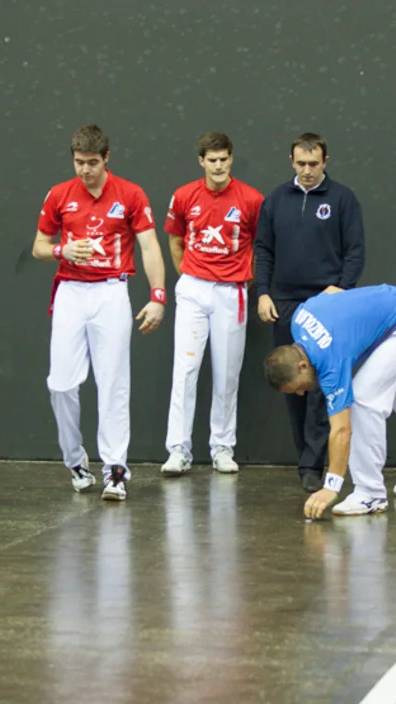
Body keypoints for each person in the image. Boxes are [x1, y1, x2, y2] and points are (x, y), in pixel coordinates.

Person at [31, 124, 167, 502]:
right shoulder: (59, 194)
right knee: (60, 383)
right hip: (71, 292)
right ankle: (76, 461)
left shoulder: (131, 194)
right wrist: (61, 250)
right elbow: (39, 246)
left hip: (111, 292)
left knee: (113, 383)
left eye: (92, 162)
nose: (85, 170)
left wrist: (157, 296)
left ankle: (115, 470)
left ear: (106, 158)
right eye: (79, 162)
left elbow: (150, 247)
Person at [263, 284, 396, 519]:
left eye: (298, 387)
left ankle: (370, 493)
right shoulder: (299, 318)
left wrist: (331, 487)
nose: (301, 393)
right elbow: (332, 291)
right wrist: (361, 320)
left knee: (363, 401)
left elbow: (342, 430)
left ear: (302, 366)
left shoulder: (330, 362)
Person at [254, 132, 366, 492]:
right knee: (293, 384)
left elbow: (355, 250)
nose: (306, 170)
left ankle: (313, 466)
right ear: (291, 161)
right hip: (284, 304)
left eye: (313, 164)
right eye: (300, 163)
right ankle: (305, 459)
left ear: (325, 162)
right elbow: (263, 249)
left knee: (320, 387)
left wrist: (342, 288)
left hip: (325, 305)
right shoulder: (275, 199)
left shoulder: (342, 198)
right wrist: (263, 292)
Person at [160, 132, 265, 475]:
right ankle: (178, 449)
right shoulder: (183, 195)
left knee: (226, 373)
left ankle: (222, 447)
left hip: (232, 293)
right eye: (212, 160)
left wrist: (242, 278)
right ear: (201, 161)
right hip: (193, 290)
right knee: (185, 370)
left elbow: (262, 247)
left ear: (231, 159)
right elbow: (175, 242)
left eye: (223, 159)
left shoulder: (252, 199)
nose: (218, 166)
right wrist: (190, 277)